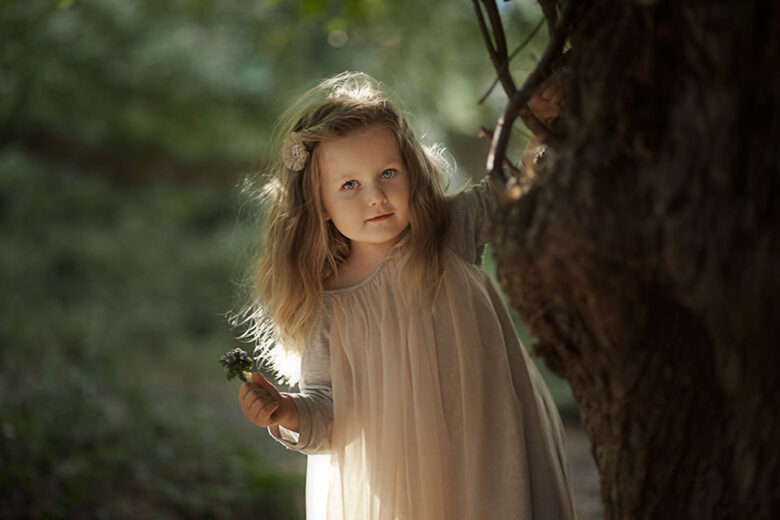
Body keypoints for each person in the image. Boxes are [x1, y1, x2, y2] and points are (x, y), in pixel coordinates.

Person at [236, 71, 575, 519]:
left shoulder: (447, 232)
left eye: (388, 173)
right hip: (401, 489)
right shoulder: (327, 305)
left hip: (486, 457)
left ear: (412, 171)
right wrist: (285, 412)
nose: (376, 197)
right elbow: (329, 415)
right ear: (319, 203)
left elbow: (525, 190)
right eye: (350, 185)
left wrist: (544, 131)